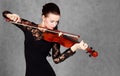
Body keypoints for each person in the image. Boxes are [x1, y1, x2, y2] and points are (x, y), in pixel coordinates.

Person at [2, 2, 88, 76]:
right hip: (30, 73)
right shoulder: (30, 27)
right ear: (43, 17)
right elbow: (5, 14)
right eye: (52, 21)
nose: (54, 25)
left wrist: (75, 47)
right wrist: (10, 15)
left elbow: (56, 59)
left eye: (57, 21)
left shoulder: (55, 36)